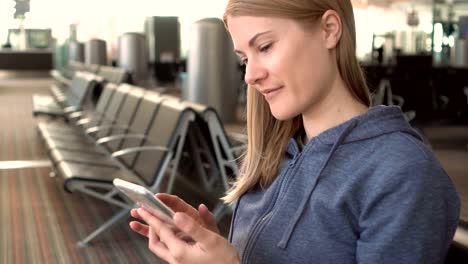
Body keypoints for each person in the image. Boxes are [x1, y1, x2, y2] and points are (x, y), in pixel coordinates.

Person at [129, 0, 460, 263]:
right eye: (245, 58)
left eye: (266, 46)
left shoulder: (403, 174)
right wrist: (213, 245)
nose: (250, 76)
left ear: (329, 29)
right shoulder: (278, 152)